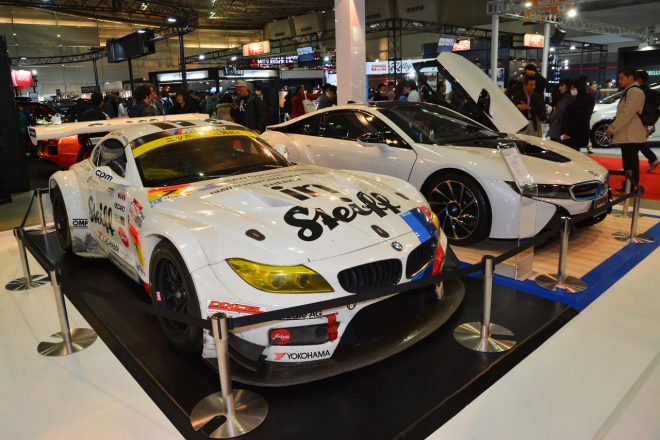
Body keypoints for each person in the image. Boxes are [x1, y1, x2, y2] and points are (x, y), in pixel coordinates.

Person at [606, 67, 647, 191]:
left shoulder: (634, 92)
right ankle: (629, 186)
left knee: (630, 163)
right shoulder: (631, 90)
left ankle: (631, 188)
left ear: (631, 77)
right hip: (629, 133)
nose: (619, 81)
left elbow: (626, 114)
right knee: (629, 162)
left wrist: (612, 128)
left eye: (622, 78)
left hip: (631, 134)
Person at [634, 69, 660, 172]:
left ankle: (652, 159)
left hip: (640, 122)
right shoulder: (652, 92)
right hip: (650, 122)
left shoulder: (639, 92)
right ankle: (652, 159)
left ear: (639, 79)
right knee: (638, 142)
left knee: (635, 142)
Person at [559, 77, 594, 152]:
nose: (571, 89)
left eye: (573, 87)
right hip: (582, 133)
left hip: (571, 135)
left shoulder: (575, 103)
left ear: (578, 88)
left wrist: (566, 133)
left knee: (570, 153)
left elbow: (573, 120)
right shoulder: (589, 98)